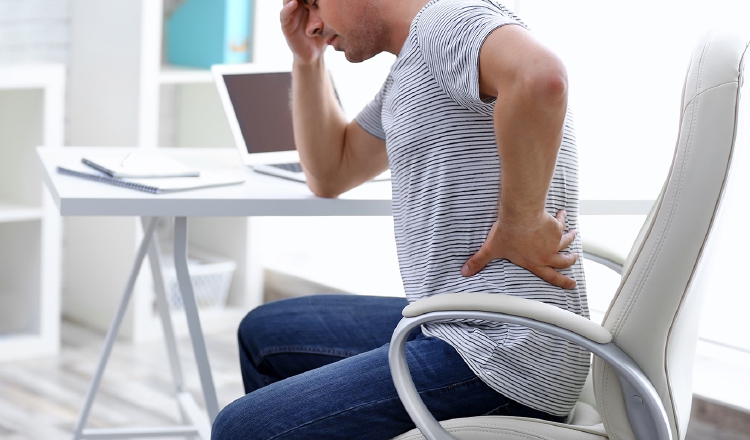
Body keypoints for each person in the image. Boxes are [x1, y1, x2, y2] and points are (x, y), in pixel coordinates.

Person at [211, 0, 590, 438]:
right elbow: (331, 171)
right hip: (459, 324)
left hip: (506, 354)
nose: (312, 24)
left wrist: (521, 222)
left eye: (314, 4)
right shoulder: (409, 72)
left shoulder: (446, 22)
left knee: (241, 428)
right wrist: (306, 59)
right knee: (264, 335)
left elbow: (540, 77)